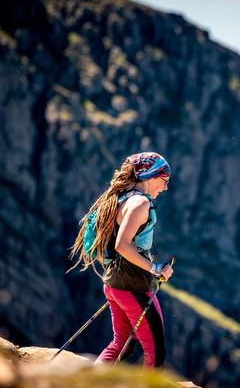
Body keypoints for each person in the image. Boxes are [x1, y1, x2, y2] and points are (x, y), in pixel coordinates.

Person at [69, 152, 174, 369]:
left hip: (114, 283)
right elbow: (122, 245)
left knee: (122, 344)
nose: (165, 188)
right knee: (155, 348)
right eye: (164, 181)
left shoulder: (122, 196)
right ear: (150, 176)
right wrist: (155, 269)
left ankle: (89, 383)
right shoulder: (140, 203)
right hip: (133, 285)